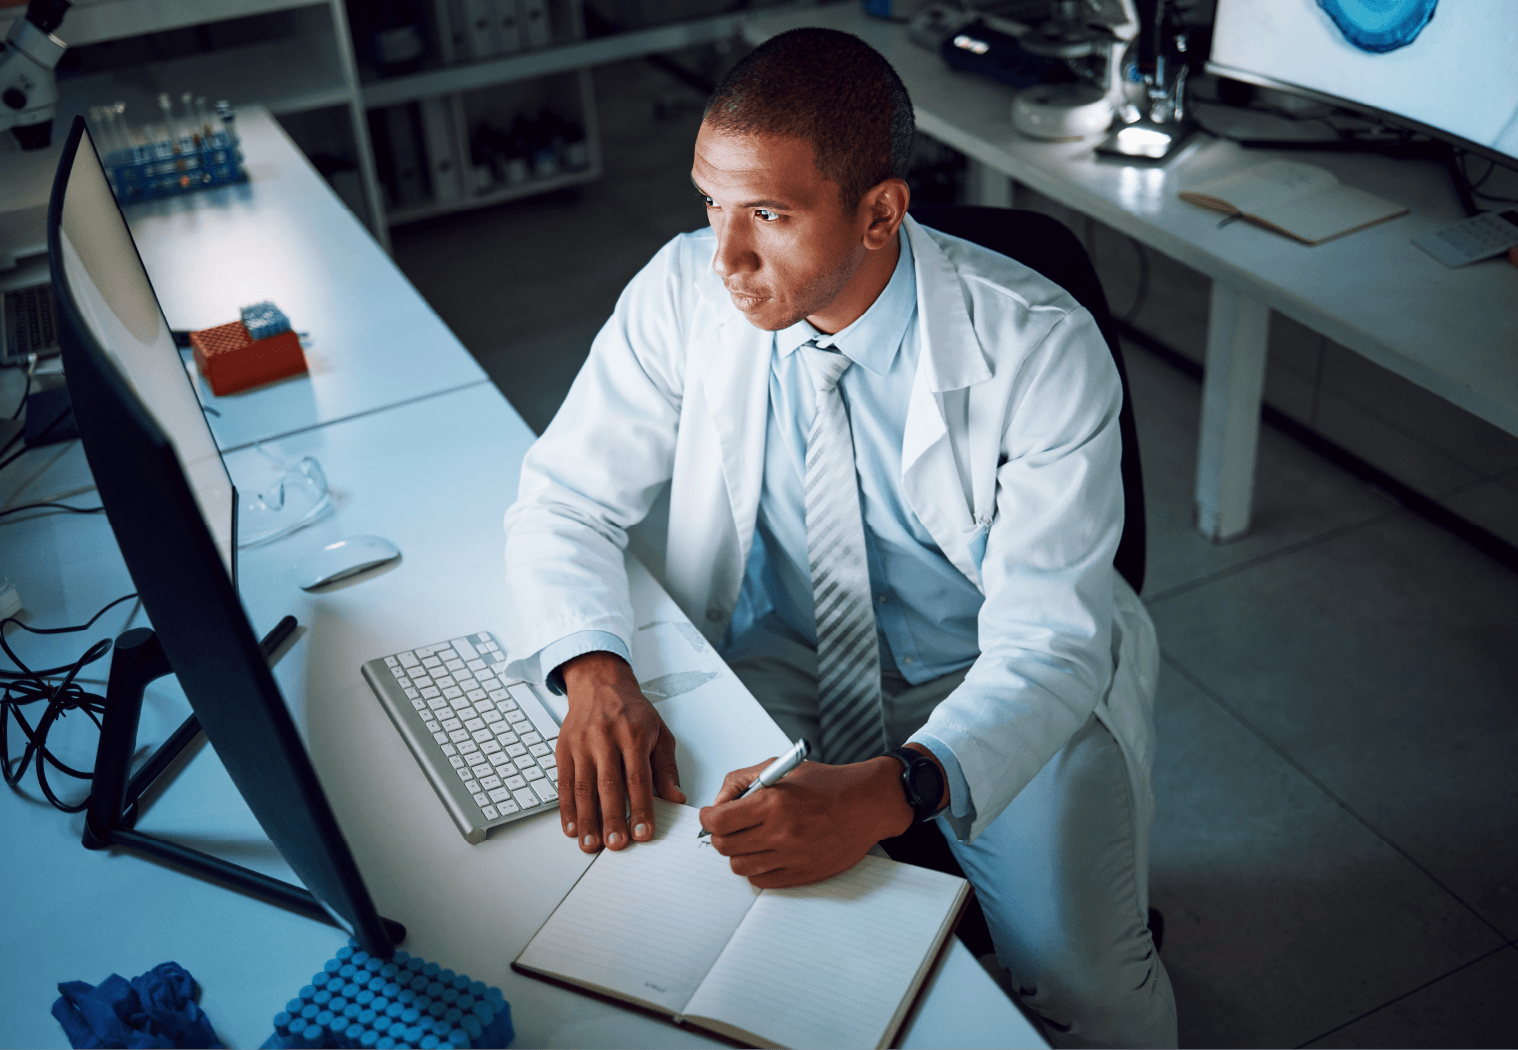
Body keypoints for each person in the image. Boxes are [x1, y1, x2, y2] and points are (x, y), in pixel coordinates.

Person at [502, 27, 1176, 1048]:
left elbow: (1050, 644)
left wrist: (896, 787)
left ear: (878, 213)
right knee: (714, 946)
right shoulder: (683, 288)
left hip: (993, 683)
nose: (724, 256)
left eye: (766, 213)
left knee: (1082, 987)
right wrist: (596, 671)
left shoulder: (1037, 345)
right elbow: (561, 499)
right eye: (711, 204)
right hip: (770, 666)